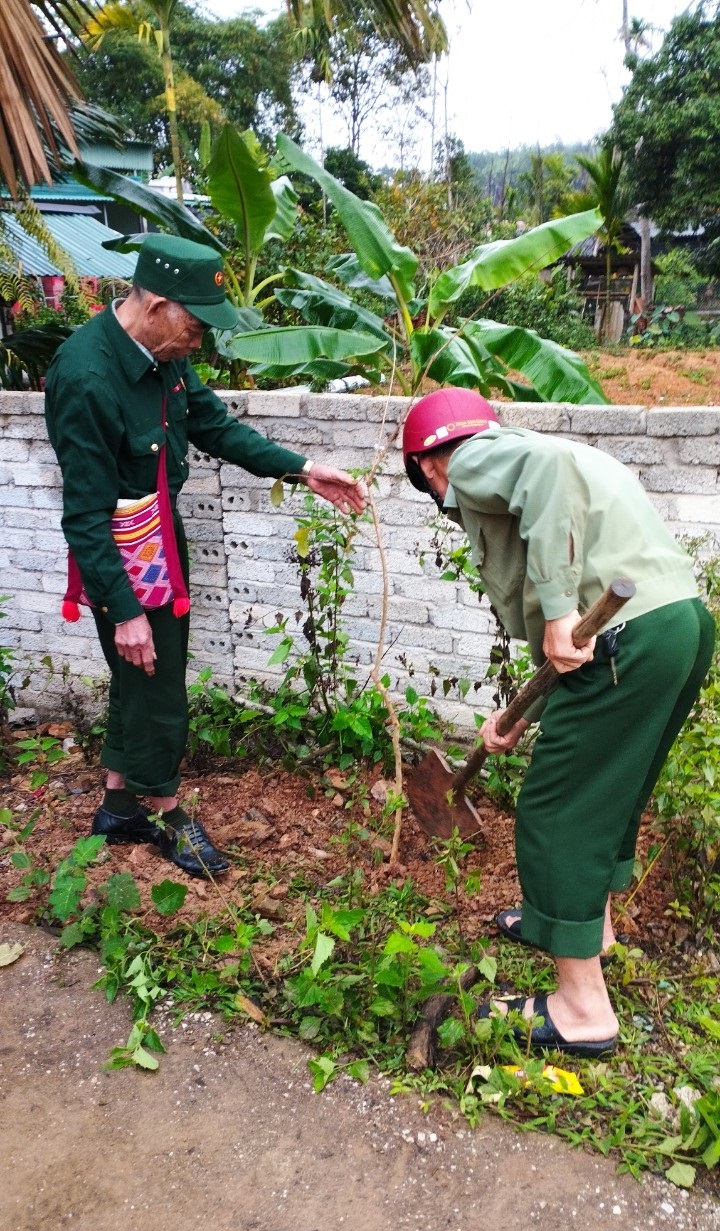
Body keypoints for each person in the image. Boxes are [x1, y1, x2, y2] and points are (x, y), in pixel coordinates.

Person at [402, 387, 715, 1058]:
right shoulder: (542, 452)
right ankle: (585, 924)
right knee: (608, 795)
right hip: (677, 625)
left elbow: (567, 613)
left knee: (555, 810)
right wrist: (519, 715)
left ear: (428, 468)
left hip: (629, 637)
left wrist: (552, 611)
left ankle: (581, 1011)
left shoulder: (474, 459)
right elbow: (574, 642)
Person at [45, 233, 366, 880]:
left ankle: (115, 804)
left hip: (157, 534)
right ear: (158, 304)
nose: (199, 342)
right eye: (194, 326)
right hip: (118, 552)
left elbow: (216, 426)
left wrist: (305, 470)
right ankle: (164, 812)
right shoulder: (85, 378)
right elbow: (83, 515)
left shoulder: (164, 357)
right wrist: (125, 607)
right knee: (157, 684)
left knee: (141, 678)